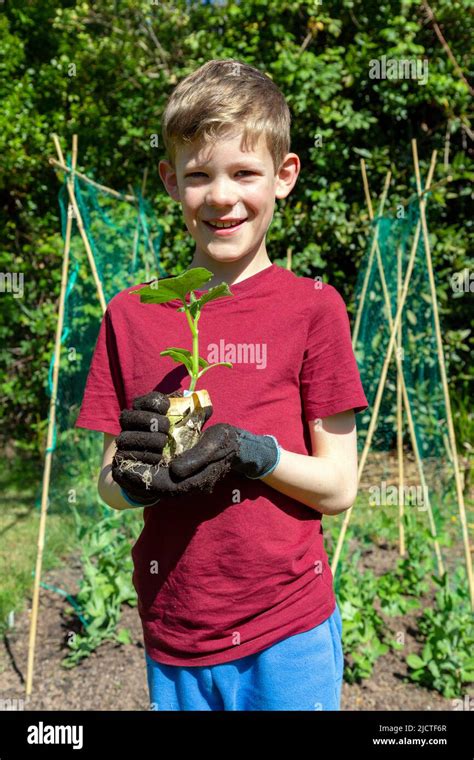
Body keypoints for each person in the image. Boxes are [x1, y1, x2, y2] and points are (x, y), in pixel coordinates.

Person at [76, 58, 369, 711]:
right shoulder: (131, 315)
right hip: (176, 627)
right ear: (170, 182)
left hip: (286, 628)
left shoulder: (314, 309)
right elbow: (107, 486)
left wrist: (253, 452)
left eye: (245, 172)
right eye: (198, 175)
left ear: (284, 176)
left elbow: (340, 486)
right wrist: (131, 477)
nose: (221, 196)